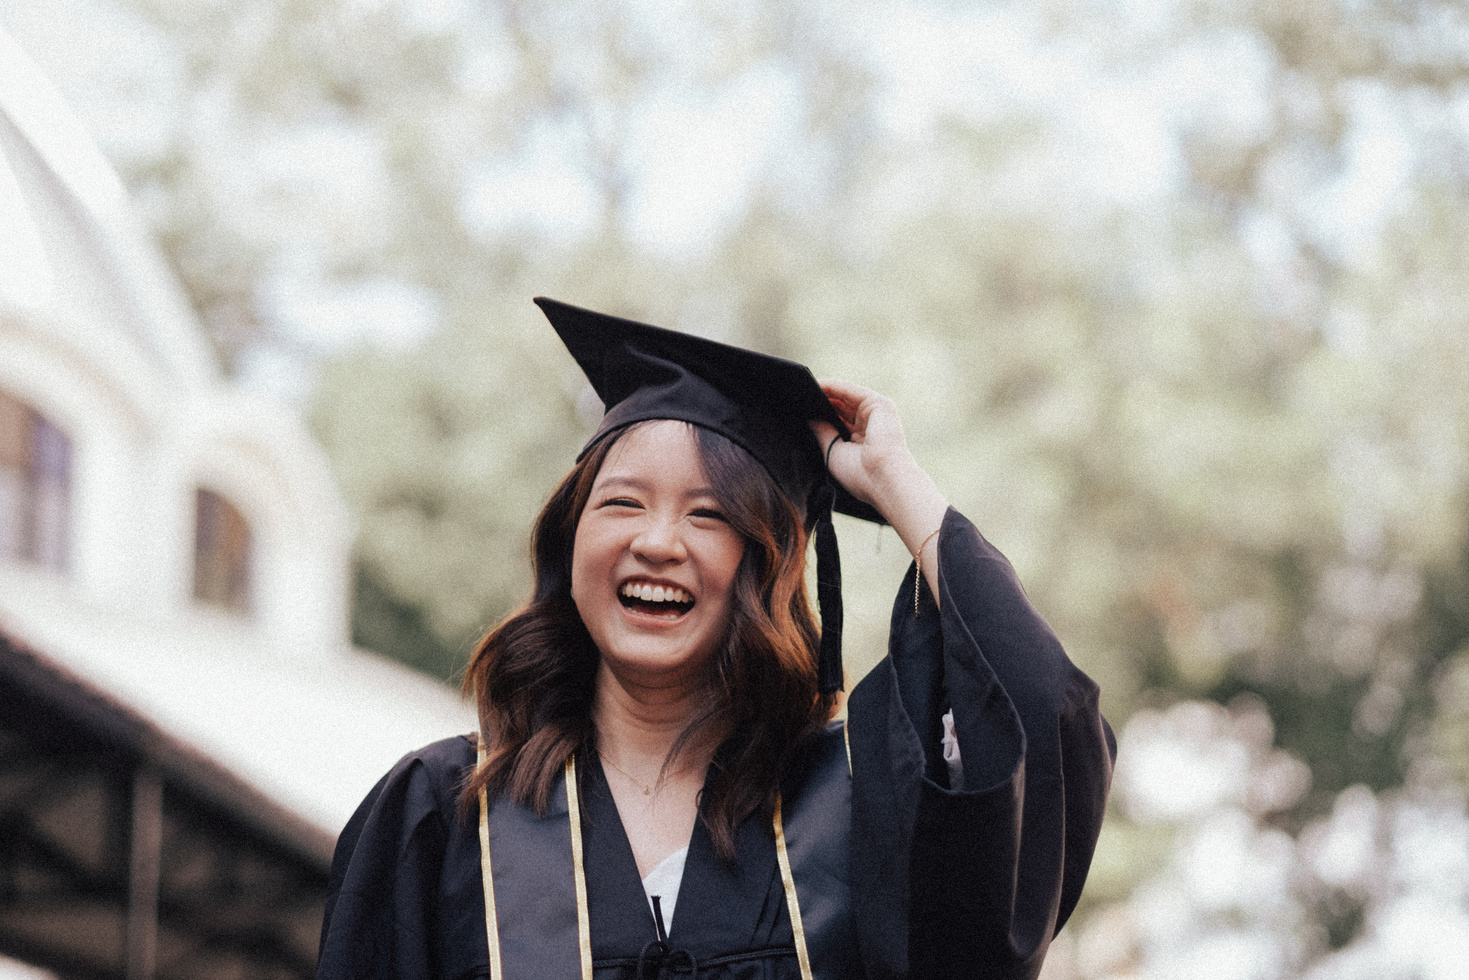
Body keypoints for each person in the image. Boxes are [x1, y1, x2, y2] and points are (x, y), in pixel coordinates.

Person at [316, 298, 1116, 980]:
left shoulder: (854, 807)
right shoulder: (442, 814)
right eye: (622, 504)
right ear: (570, 544)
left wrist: (897, 486)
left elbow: (1037, 722)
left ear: (767, 568)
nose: (659, 542)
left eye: (709, 514)